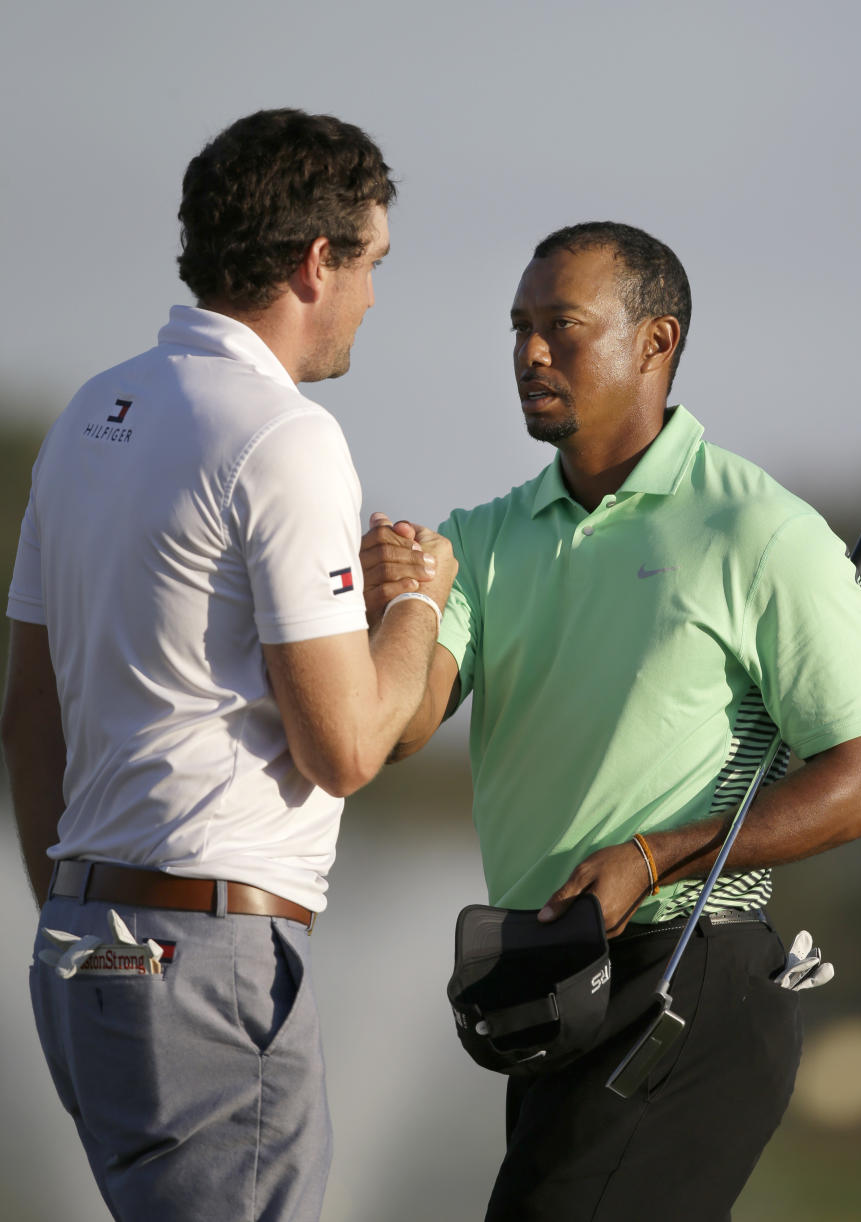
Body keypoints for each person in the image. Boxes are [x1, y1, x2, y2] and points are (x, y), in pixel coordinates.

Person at [362, 221, 861, 1221]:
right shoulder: (479, 539)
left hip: (691, 968)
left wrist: (657, 854)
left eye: (561, 327)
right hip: (546, 984)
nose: (529, 353)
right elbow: (398, 729)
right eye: (519, 328)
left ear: (658, 341)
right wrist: (399, 607)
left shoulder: (761, 529)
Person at [0, 108, 456, 1222]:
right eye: (372, 263)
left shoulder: (88, 417)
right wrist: (414, 602)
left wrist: (80, 919)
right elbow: (346, 745)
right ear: (316, 262)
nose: (375, 297)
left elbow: (26, 715)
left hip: (82, 944)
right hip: (206, 958)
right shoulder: (284, 435)